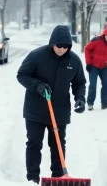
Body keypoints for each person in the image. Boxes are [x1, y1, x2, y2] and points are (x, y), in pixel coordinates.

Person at [16, 25, 86, 184]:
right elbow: (22, 75)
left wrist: (80, 98)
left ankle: (58, 178)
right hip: (36, 109)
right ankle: (32, 178)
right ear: (52, 43)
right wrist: (38, 86)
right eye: (58, 46)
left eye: (65, 46)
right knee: (34, 143)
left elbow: (79, 82)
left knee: (58, 146)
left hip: (60, 110)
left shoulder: (74, 61)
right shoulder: (37, 56)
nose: (61, 49)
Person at [84, 27, 107, 110]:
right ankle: (90, 103)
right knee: (93, 85)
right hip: (93, 66)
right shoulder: (96, 40)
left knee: (106, 84)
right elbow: (86, 48)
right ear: (104, 35)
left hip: (104, 67)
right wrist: (88, 63)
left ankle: (105, 103)